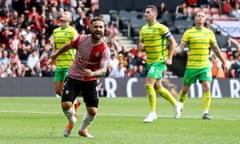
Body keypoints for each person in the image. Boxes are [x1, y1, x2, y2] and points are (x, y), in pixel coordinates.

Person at [48, 17, 110, 138]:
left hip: (90, 80)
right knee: (65, 105)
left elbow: (103, 71)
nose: (98, 29)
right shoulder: (81, 40)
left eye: (101, 27)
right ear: (90, 28)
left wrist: (93, 74)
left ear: (104, 29)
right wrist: (55, 54)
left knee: (92, 111)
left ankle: (83, 129)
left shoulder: (105, 50)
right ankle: (71, 121)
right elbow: (68, 45)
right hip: (73, 77)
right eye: (96, 27)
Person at [176, 10, 228, 120]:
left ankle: (205, 112)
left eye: (202, 16)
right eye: (198, 16)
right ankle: (179, 107)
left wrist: (224, 62)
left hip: (204, 65)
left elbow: (216, 49)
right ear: (195, 18)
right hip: (191, 66)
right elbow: (181, 47)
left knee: (207, 87)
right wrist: (175, 50)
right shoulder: (189, 32)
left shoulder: (209, 33)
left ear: (205, 19)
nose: (200, 17)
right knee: (185, 89)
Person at [138, 5, 182, 123]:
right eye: (145, 12)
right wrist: (141, 48)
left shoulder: (161, 28)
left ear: (154, 14)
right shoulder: (143, 29)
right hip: (150, 61)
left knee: (148, 84)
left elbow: (172, 42)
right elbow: (142, 48)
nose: (145, 14)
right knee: (158, 87)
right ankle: (176, 104)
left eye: (148, 12)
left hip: (159, 60)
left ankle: (153, 113)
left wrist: (170, 57)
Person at [51, 11, 80, 109]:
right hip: (59, 64)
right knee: (58, 91)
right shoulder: (56, 31)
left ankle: (71, 108)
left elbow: (78, 46)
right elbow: (55, 47)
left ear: (70, 20)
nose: (63, 14)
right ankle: (75, 101)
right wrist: (53, 58)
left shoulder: (72, 31)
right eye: (63, 13)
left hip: (69, 64)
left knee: (65, 88)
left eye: (66, 14)